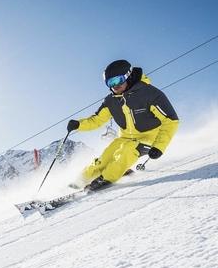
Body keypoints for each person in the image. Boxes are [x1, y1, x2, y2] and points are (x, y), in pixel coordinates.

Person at [67, 59, 179, 191]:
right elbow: (96, 120)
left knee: (126, 152)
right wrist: (78, 125)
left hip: (149, 139)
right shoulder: (111, 101)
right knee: (105, 157)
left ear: (129, 76)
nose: (115, 86)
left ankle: (106, 178)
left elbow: (171, 120)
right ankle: (79, 181)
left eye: (118, 80)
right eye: (110, 83)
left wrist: (159, 146)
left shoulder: (150, 94)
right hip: (125, 138)